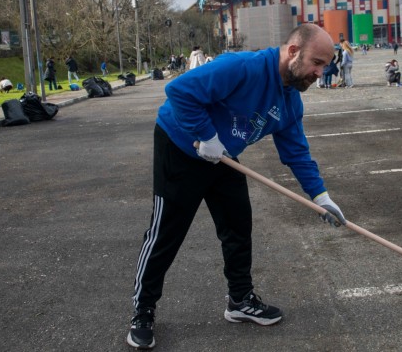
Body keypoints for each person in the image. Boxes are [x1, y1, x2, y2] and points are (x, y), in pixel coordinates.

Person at [127, 23, 346, 350]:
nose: (320, 72)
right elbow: (179, 91)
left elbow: (297, 153)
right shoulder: (242, 68)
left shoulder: (290, 101)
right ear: (293, 51)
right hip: (181, 144)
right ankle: (143, 310)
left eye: (325, 66)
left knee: (238, 225)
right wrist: (205, 134)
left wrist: (321, 197)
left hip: (222, 155)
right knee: (167, 232)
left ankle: (240, 300)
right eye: (317, 63)